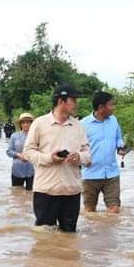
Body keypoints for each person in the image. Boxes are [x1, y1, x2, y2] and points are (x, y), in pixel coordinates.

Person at [23, 84, 91, 232]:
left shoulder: (78, 126)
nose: (76, 104)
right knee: (45, 237)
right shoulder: (39, 124)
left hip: (71, 191)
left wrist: (79, 157)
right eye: (73, 100)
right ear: (61, 101)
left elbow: (88, 154)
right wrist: (50, 158)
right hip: (46, 190)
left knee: (69, 237)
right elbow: (28, 152)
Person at [80, 91, 127, 213]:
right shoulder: (83, 124)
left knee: (114, 210)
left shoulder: (114, 121)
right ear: (101, 107)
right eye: (111, 105)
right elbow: (76, 147)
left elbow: (118, 138)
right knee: (89, 211)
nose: (113, 108)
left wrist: (121, 147)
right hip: (90, 174)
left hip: (111, 174)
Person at [6, 113, 35, 190]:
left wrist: (29, 156)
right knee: (16, 194)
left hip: (32, 169)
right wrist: (18, 154)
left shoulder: (36, 136)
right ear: (20, 124)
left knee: (31, 194)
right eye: (23, 122)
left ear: (32, 124)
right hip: (17, 169)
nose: (26, 124)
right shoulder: (14, 136)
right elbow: (9, 151)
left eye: (28, 122)